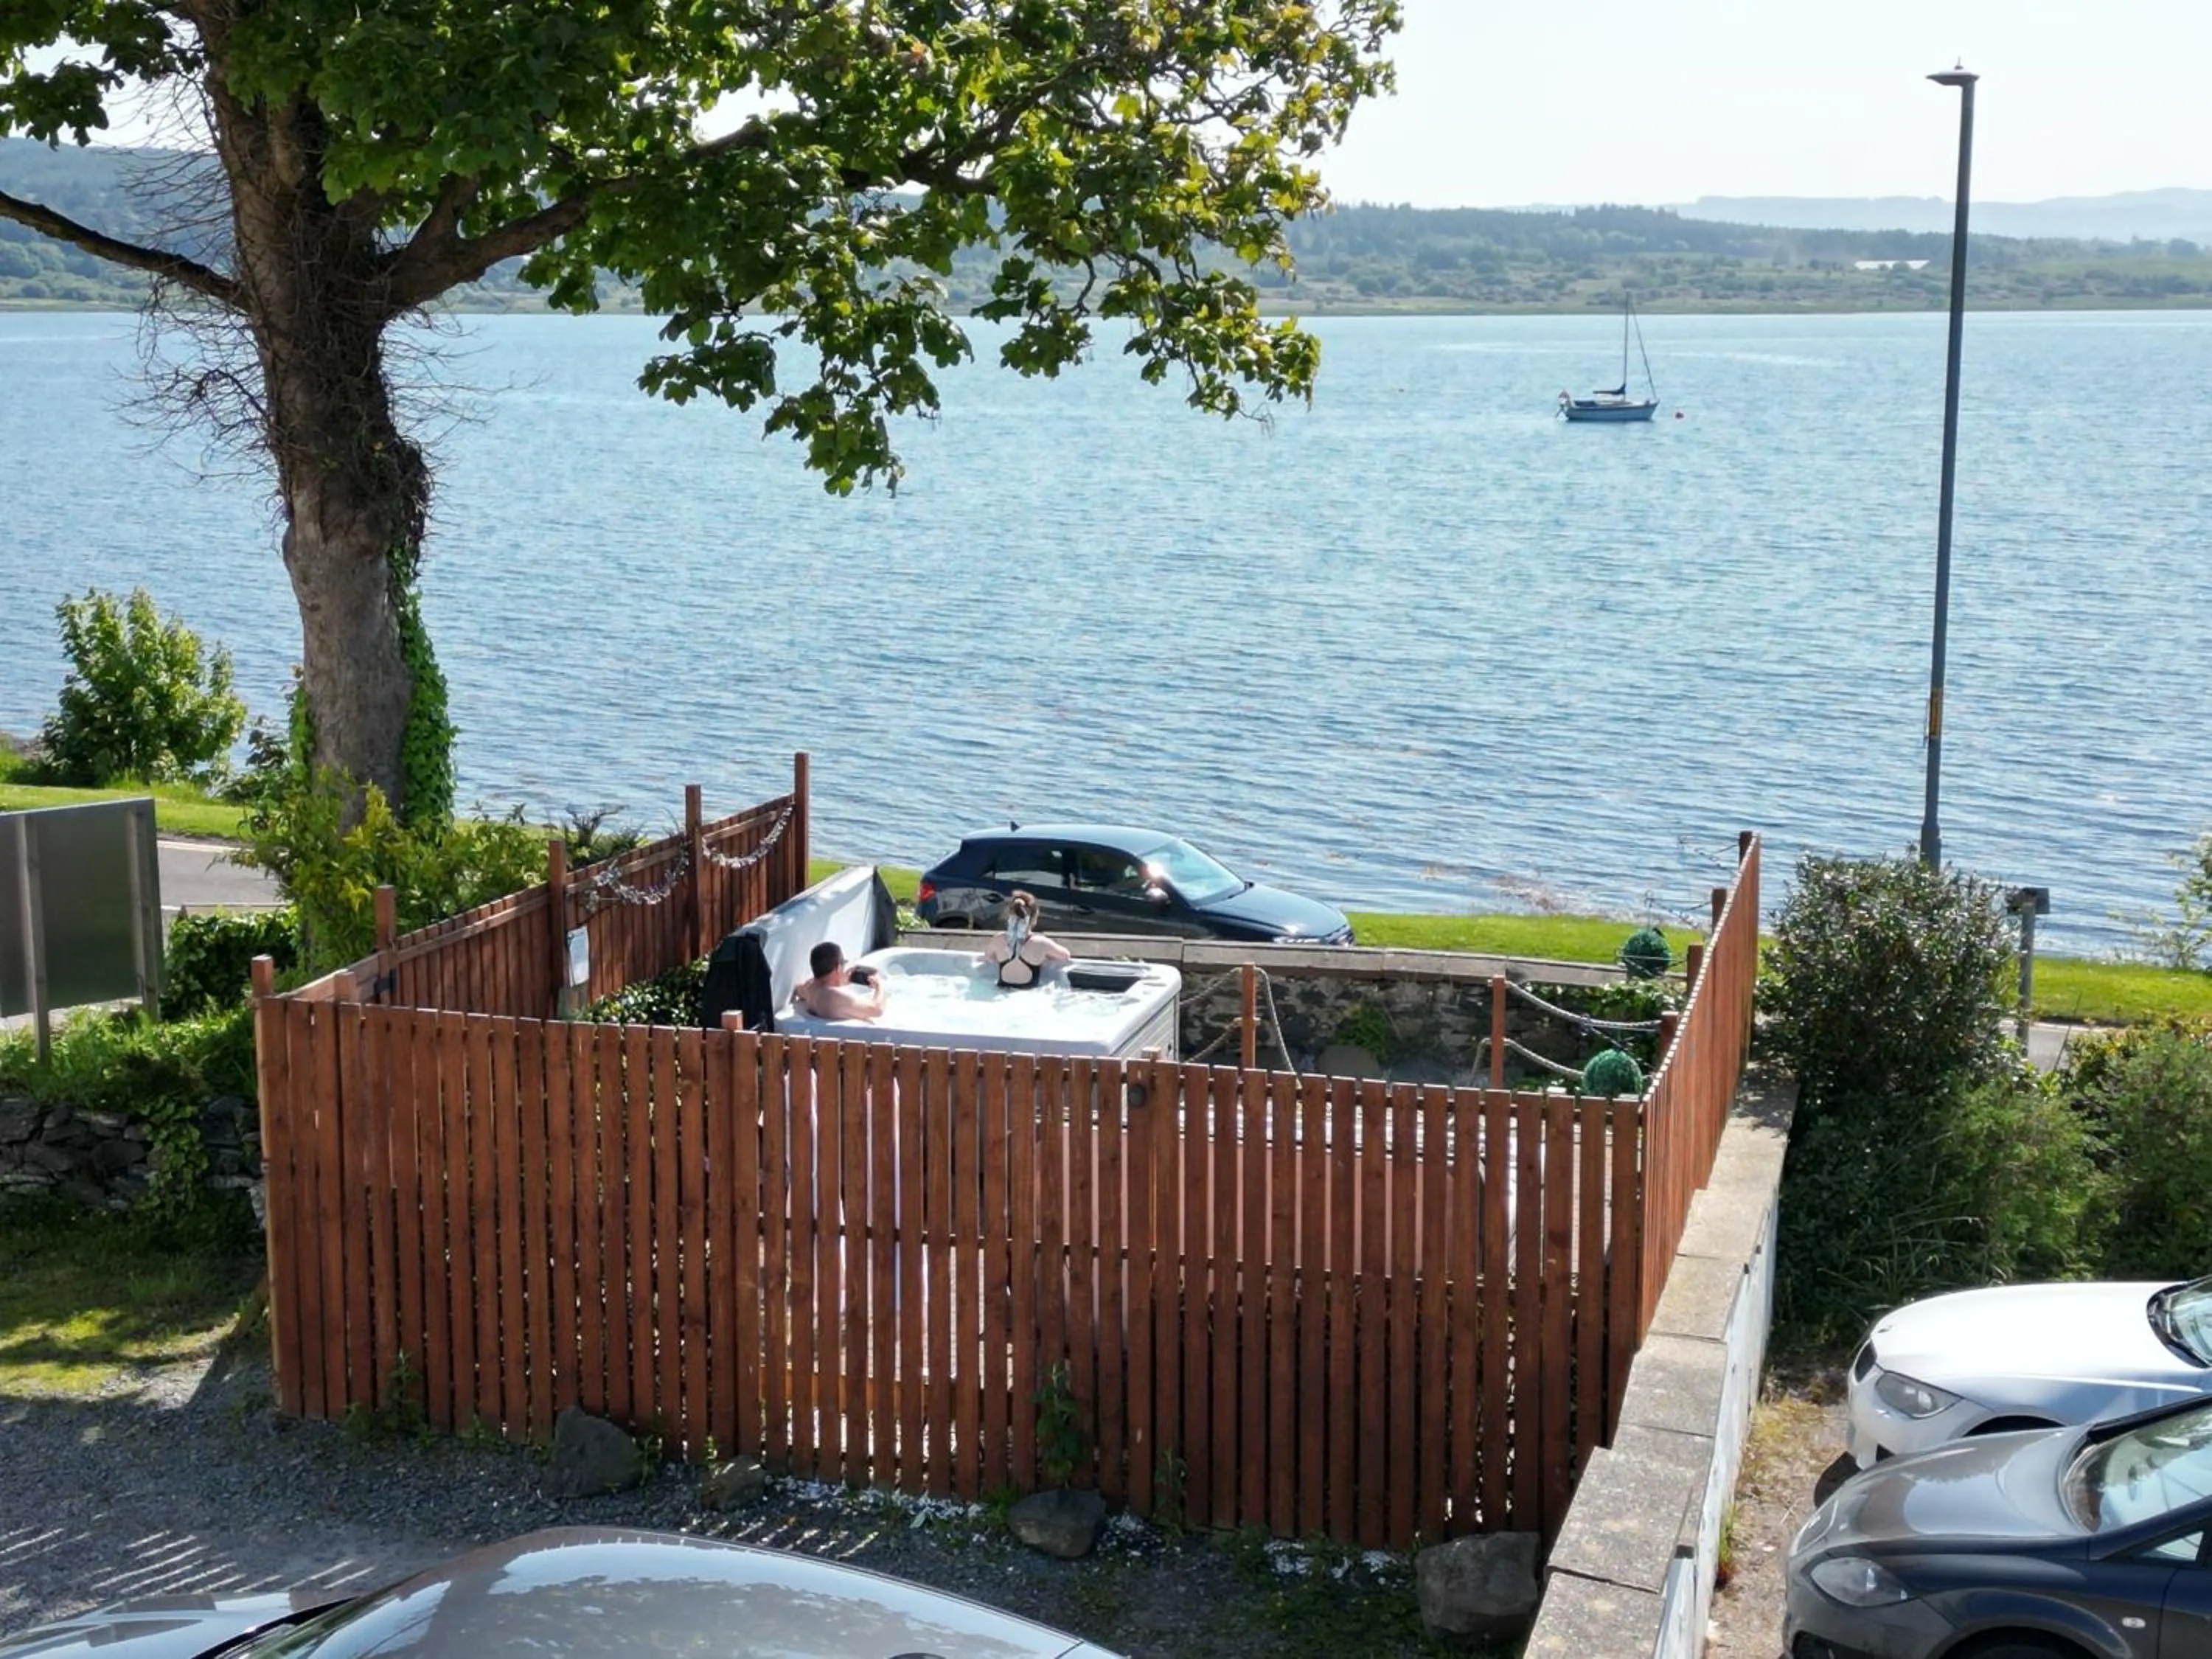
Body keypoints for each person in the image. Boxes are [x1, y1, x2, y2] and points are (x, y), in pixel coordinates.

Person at [981, 889, 1071, 988]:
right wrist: (1045, 957)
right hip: (1027, 996)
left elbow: (987, 958)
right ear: (1034, 918)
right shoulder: (1041, 943)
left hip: (1000, 991)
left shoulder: (998, 939)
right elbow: (1065, 956)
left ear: (1009, 917)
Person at [792, 941, 887, 1021]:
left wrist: (841, 981)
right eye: (843, 964)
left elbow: (799, 989)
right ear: (837, 967)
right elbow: (877, 1010)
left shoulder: (810, 988)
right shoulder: (835, 996)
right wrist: (880, 986)